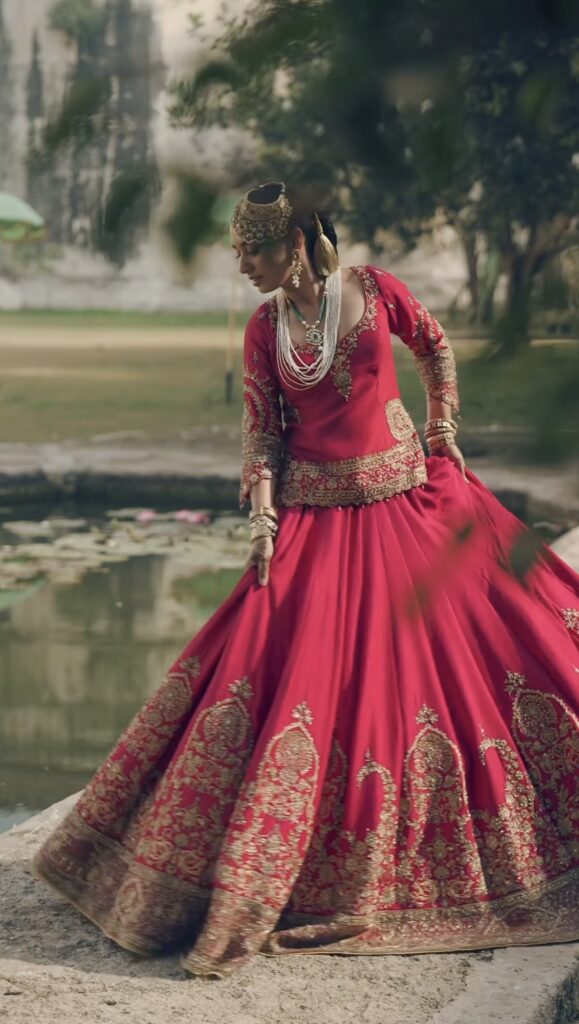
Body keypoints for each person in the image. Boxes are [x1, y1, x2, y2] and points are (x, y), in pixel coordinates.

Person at [32, 181, 579, 979]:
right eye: (235, 252)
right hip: (314, 524)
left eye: (251, 250)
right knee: (284, 682)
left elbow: (434, 345)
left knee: (486, 656)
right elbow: (260, 429)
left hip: (409, 508)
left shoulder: (375, 289)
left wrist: (441, 429)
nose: (241, 265)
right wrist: (260, 520)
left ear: (293, 244)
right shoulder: (264, 330)